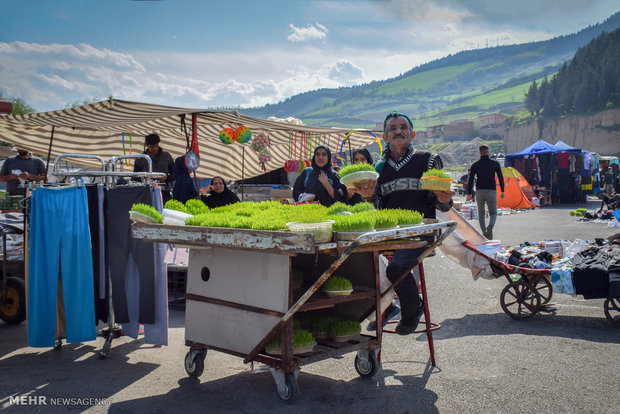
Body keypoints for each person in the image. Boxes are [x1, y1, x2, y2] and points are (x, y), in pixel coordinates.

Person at [356, 111, 454, 335]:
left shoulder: (428, 160)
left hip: (422, 231)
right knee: (353, 258)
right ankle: (383, 307)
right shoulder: (378, 168)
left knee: (396, 267)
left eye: (403, 127)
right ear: (385, 136)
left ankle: (412, 309)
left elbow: (442, 204)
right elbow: (378, 208)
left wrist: (443, 200)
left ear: (412, 134)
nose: (398, 131)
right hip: (390, 233)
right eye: (393, 128)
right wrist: (368, 197)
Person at [466, 144, 505, 239]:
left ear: (479, 153)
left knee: (481, 213)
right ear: (488, 152)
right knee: (493, 213)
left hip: (479, 191)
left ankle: (484, 233)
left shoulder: (475, 165)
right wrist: (503, 191)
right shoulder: (495, 163)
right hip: (491, 191)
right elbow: (500, 177)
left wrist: (469, 193)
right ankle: (490, 226)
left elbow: (470, 180)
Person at [134, 133, 174, 203]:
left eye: (157, 146)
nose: (155, 149)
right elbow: (135, 177)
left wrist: (166, 178)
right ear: (147, 145)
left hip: (165, 192)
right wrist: (144, 178)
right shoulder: (140, 158)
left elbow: (175, 173)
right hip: (147, 193)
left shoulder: (166, 156)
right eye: (152, 147)